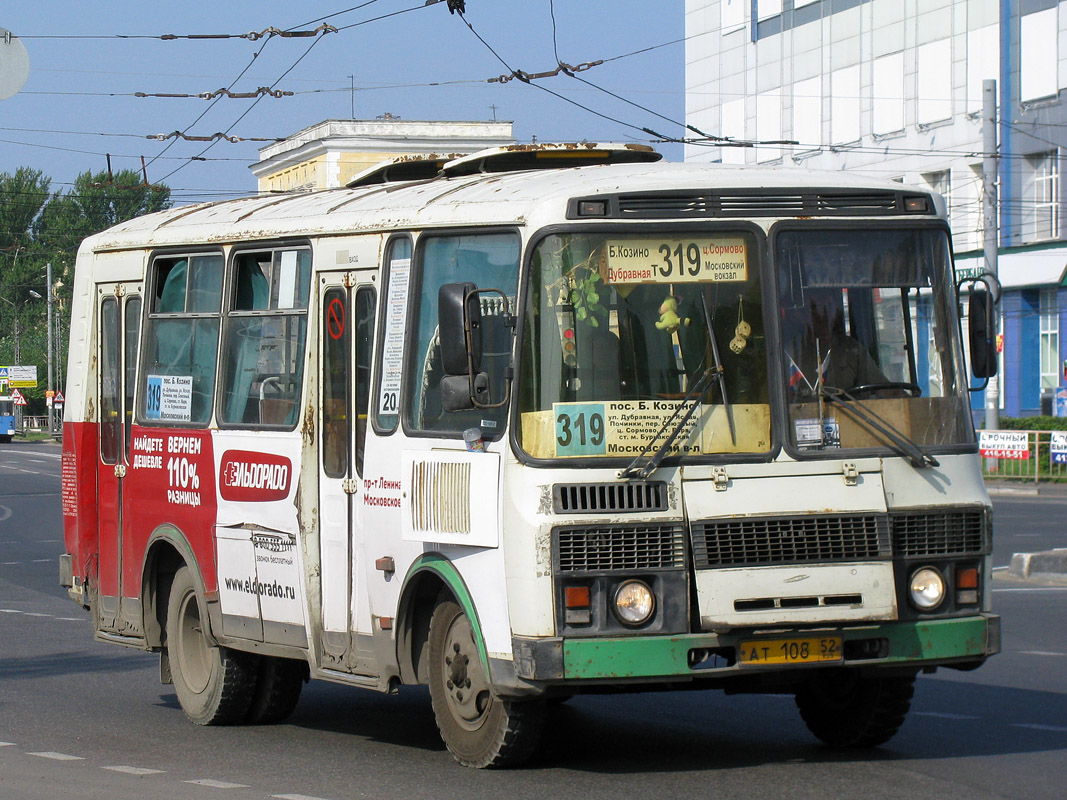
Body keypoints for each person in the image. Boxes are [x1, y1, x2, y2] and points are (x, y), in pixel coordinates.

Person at [785, 287, 889, 397]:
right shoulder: (789, 354)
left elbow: (886, 391)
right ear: (801, 315)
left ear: (835, 310)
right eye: (814, 308)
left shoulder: (852, 351)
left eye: (827, 306)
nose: (822, 314)